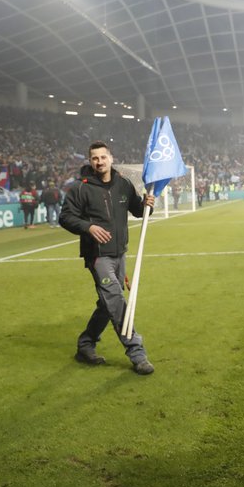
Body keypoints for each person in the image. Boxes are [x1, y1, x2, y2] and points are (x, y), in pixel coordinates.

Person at [59, 141, 155, 375]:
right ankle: (137, 352)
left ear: (111, 158)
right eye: (94, 158)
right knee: (116, 301)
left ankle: (85, 344)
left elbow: (137, 210)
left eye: (103, 157)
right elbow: (65, 217)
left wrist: (147, 205)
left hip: (120, 253)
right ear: (90, 161)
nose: (99, 161)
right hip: (98, 256)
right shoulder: (81, 188)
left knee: (106, 304)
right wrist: (88, 227)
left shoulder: (123, 184)